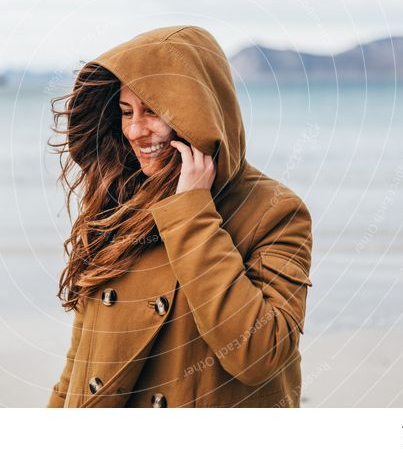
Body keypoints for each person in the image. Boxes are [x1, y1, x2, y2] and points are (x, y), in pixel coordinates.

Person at [47, 25, 313, 408]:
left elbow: (260, 354)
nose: (136, 130)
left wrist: (192, 214)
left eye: (153, 110)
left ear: (200, 109)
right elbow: (80, 364)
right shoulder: (121, 203)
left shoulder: (277, 212)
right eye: (126, 112)